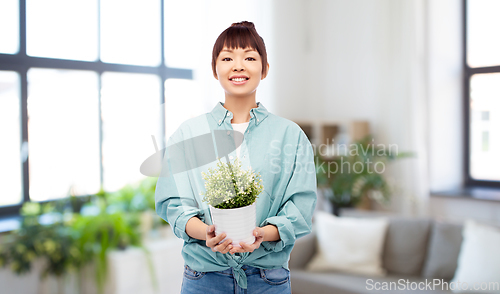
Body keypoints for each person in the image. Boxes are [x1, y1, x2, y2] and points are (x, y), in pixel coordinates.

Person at [155, 21, 317, 294]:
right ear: (214, 69)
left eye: (250, 57)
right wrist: (205, 233)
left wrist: (262, 234)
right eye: (227, 57)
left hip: (269, 280)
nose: (238, 66)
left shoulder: (290, 135)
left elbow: (300, 209)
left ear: (264, 69)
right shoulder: (189, 133)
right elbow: (173, 203)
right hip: (204, 279)